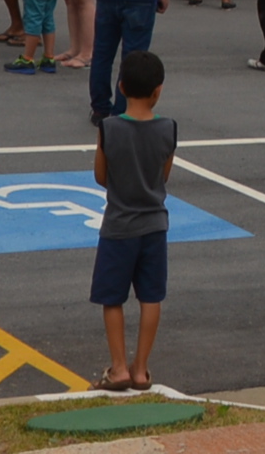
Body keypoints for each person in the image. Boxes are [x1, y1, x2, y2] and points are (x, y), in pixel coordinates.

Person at [91, 50, 175, 392]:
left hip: (118, 226)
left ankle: (118, 367)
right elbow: (163, 175)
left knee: (112, 298)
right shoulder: (168, 128)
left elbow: (101, 176)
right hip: (154, 225)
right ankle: (141, 369)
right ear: (158, 90)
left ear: (121, 87)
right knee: (150, 297)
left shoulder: (109, 128)